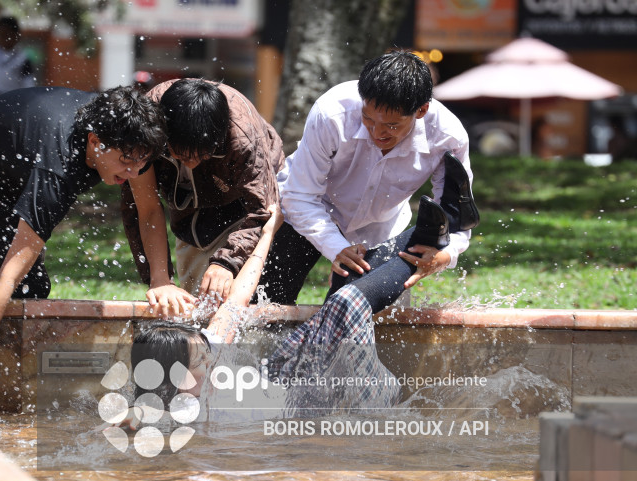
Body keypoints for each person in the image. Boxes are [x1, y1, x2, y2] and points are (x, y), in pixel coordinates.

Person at [121, 182, 472, 426]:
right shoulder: (172, 421)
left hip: (286, 376)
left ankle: (423, 238)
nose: (212, 357)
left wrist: (268, 234)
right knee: (348, 303)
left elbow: (238, 298)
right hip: (308, 405)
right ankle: (381, 411)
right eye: (200, 360)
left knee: (345, 303)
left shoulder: (202, 357)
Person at [0, 85, 167, 410]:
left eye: (142, 164)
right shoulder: (56, 171)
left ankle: (5, 389)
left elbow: (150, 210)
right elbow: (8, 277)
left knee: (29, 285)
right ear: (94, 142)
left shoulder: (130, 140)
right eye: (126, 163)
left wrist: (161, 282)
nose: (134, 173)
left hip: (15, 154)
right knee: (22, 281)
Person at [258, 50, 479, 305]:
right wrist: (335, 246)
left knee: (372, 315)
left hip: (382, 223)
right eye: (368, 118)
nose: (377, 132)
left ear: (421, 110)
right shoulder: (332, 112)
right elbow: (300, 196)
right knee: (266, 299)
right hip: (310, 209)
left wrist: (447, 255)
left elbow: (457, 213)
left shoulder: (448, 137)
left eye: (392, 126)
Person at [120, 78, 284, 317]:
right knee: (192, 304)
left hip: (241, 198)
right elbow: (146, 209)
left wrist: (226, 263)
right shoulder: (146, 126)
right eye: (183, 155)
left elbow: (262, 213)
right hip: (187, 206)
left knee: (238, 301)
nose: (192, 163)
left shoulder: (244, 139)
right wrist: (160, 281)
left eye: (201, 156)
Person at [0, 16, 36, 100]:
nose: (2, 39)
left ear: (16, 36)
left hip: (15, 98)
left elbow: (28, 83)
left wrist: (28, 100)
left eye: (6, 35)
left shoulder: (23, 57)